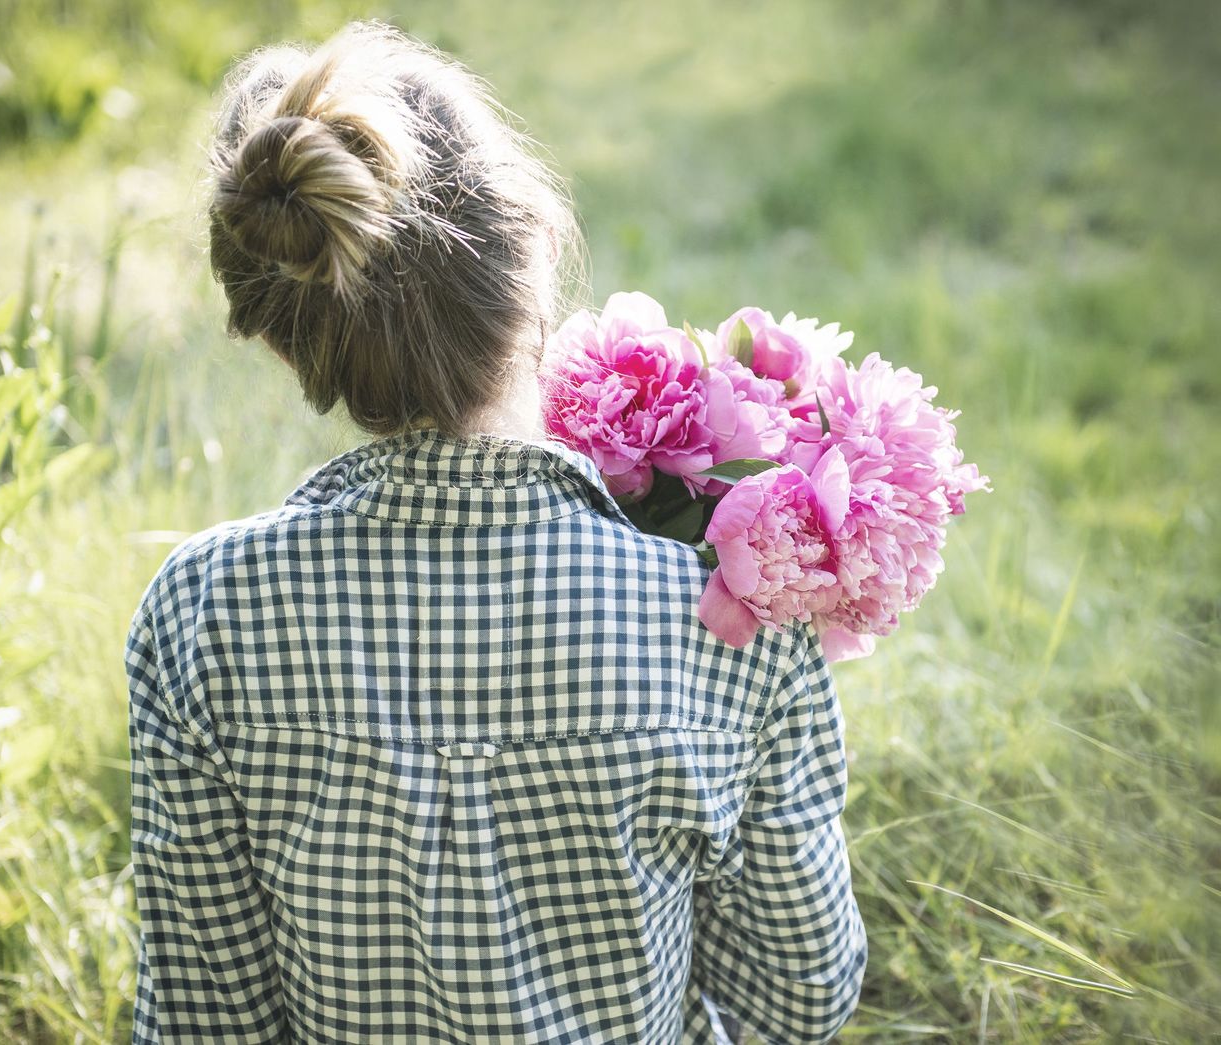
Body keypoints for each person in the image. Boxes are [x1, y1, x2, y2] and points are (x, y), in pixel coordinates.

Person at [126, 20, 866, 1044]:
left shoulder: (202, 610)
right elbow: (799, 996)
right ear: (537, 247)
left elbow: (208, 1022)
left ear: (295, 342)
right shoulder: (728, 619)